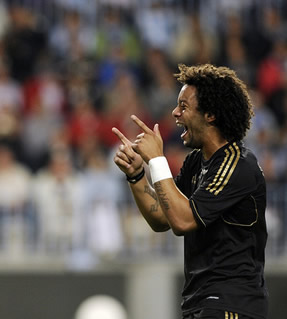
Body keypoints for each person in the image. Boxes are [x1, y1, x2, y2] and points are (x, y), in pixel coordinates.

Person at [112, 64, 268, 319]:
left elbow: (184, 221)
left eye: (184, 106)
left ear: (210, 115)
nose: (175, 112)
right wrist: (137, 175)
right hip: (200, 303)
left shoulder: (237, 164)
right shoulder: (197, 161)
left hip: (231, 305)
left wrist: (157, 161)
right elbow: (164, 218)